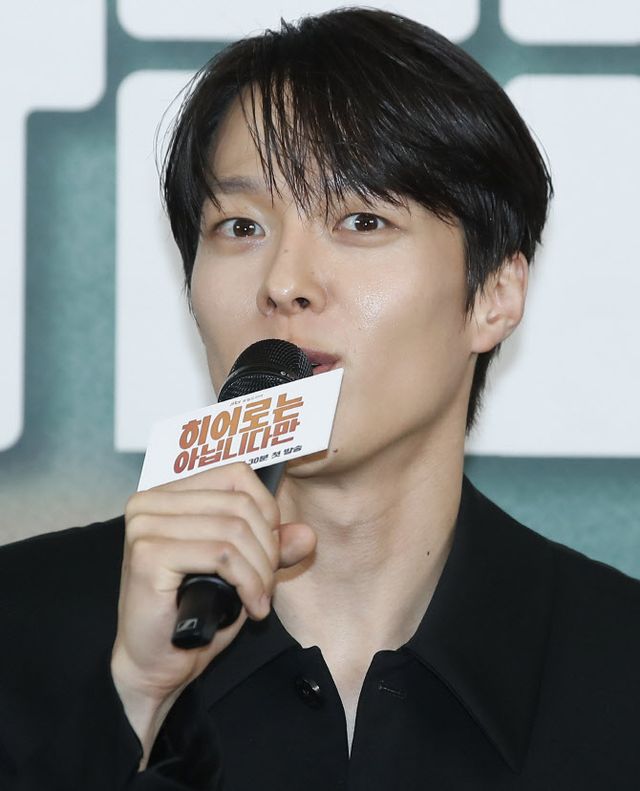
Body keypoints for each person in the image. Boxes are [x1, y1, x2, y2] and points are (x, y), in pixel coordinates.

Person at [1, 7, 639, 790]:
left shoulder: (615, 664)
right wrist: (130, 697)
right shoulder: (20, 620)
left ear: (494, 296)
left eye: (362, 220)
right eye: (241, 226)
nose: (284, 283)